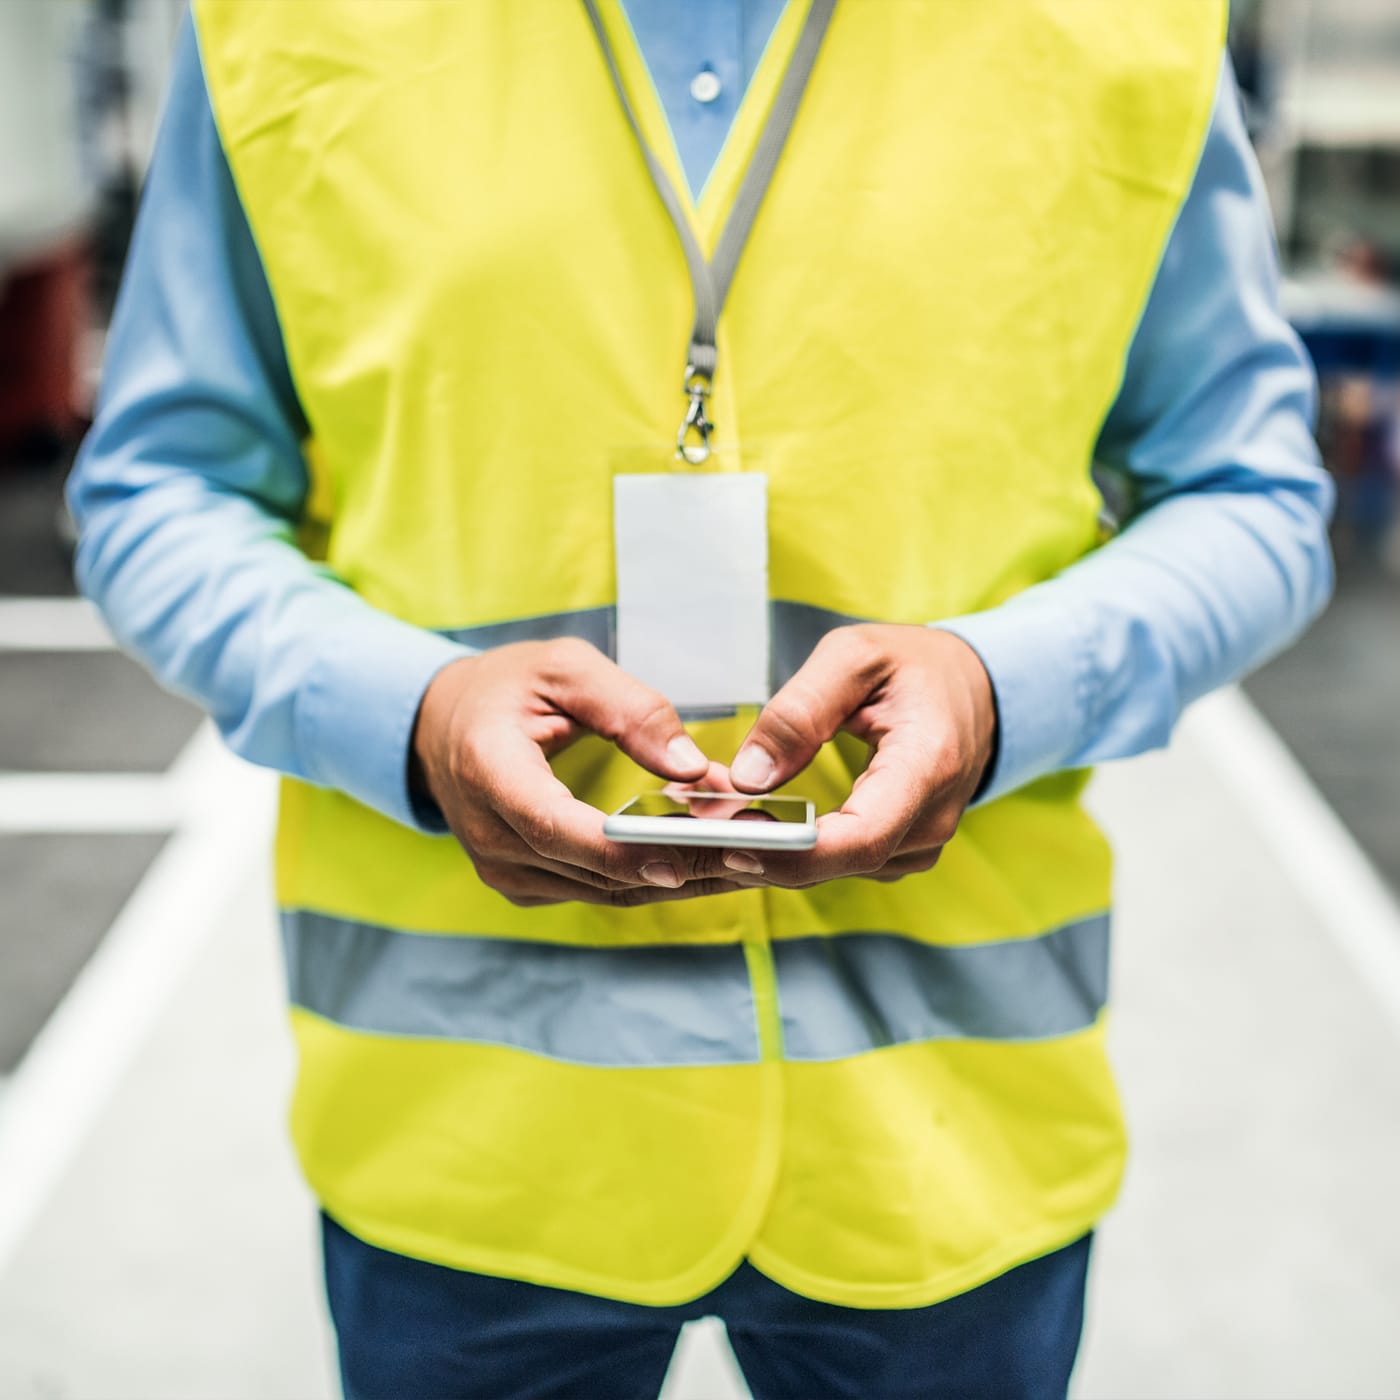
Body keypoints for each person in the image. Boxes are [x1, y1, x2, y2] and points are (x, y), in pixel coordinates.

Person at [69, 3, 1334, 1397]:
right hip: (472, 1149)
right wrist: (413, 714)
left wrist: (1003, 689)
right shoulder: (275, 21)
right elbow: (159, 489)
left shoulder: (1129, 25)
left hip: (944, 1137)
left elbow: (1253, 495)